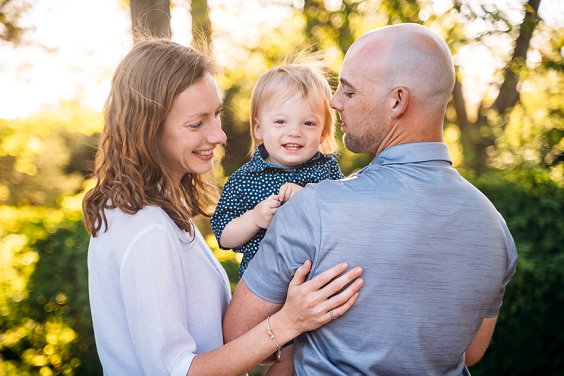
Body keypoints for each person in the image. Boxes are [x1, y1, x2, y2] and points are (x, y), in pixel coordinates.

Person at [223, 23, 518, 375]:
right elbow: (471, 351)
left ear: (397, 101)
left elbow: (237, 336)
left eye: (348, 92)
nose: (334, 103)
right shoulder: (494, 227)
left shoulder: (314, 208)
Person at [82, 39, 364, 375]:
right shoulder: (146, 230)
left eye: (215, 114)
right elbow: (179, 371)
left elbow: (206, 340)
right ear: (148, 129)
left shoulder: (160, 211)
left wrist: (269, 334)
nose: (219, 135)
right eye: (196, 123)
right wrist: (287, 323)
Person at [211, 62, 343, 277]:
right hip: (263, 288)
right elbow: (223, 235)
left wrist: (310, 199)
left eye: (308, 123)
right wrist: (253, 219)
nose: (294, 132)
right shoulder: (244, 180)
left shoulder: (327, 170)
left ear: (323, 131)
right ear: (259, 128)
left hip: (317, 281)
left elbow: (343, 218)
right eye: (280, 121)